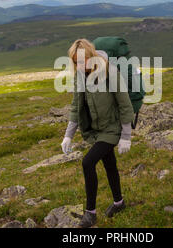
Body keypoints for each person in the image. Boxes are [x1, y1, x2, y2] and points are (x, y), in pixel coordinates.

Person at [61, 38, 135, 228]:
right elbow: (76, 105)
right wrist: (68, 135)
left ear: (91, 56)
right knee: (109, 164)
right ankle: (119, 203)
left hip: (112, 128)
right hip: (96, 130)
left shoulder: (110, 71)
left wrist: (126, 137)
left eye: (83, 60)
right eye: (76, 61)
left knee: (88, 162)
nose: (80, 64)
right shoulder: (80, 75)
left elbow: (125, 105)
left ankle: (90, 213)